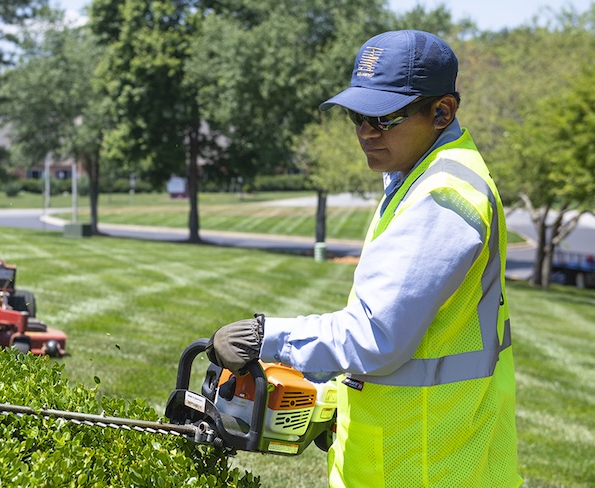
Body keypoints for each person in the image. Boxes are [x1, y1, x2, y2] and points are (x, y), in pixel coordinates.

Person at [206, 30, 522, 487]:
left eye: (384, 118)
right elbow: (427, 338)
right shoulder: (415, 175)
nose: (365, 132)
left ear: (442, 112)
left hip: (426, 467)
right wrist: (332, 399)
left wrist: (265, 337)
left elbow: (376, 335)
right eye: (357, 116)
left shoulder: (443, 197)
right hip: (414, 451)